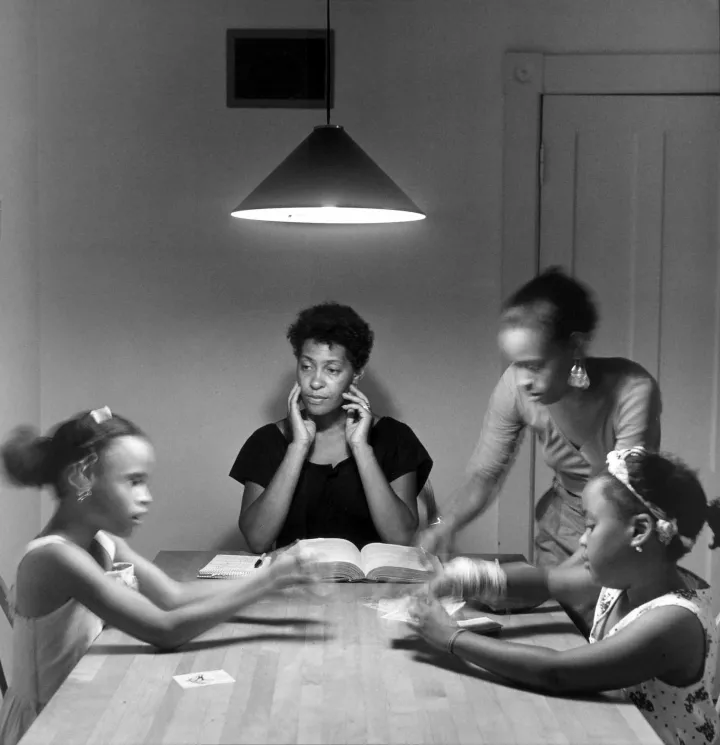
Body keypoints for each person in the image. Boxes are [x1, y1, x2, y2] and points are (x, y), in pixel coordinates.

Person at [0, 407, 320, 745]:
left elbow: (173, 596)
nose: (147, 497)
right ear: (82, 478)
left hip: (84, 701)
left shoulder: (103, 541)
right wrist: (269, 582)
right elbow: (165, 630)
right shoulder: (56, 557)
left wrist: (268, 571)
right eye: (133, 481)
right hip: (45, 727)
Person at [407, 447, 720, 745]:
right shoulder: (627, 577)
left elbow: (556, 672)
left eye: (590, 525)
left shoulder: (673, 621)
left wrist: (450, 637)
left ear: (639, 531)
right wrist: (460, 576)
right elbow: (543, 580)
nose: (582, 541)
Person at [416, 267, 661, 632]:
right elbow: (484, 475)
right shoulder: (517, 383)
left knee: (606, 643)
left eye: (535, 364)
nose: (524, 379)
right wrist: (442, 525)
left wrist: (524, 584)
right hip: (562, 524)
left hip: (622, 534)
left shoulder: (632, 389)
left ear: (575, 346)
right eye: (517, 364)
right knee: (559, 632)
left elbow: (619, 506)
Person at [232, 302, 433, 553]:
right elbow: (257, 540)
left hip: (375, 589)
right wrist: (298, 446)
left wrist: (361, 448)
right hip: (292, 586)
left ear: (356, 373)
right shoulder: (267, 441)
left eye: (332, 370)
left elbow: (401, 538)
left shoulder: (395, 438)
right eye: (306, 366)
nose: (315, 382)